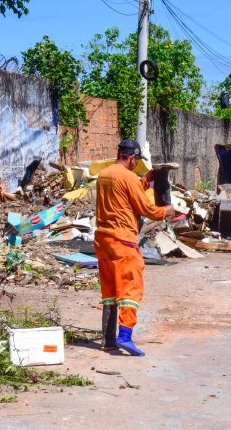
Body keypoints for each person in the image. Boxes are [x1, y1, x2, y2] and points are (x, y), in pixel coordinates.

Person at [95, 139, 174, 357]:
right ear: (132, 158)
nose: (135, 166)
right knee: (131, 288)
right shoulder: (128, 177)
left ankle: (108, 340)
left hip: (103, 240)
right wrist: (165, 211)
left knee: (110, 291)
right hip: (123, 241)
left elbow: (127, 190)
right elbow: (146, 208)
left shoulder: (105, 174)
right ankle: (125, 336)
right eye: (135, 162)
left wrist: (148, 179)